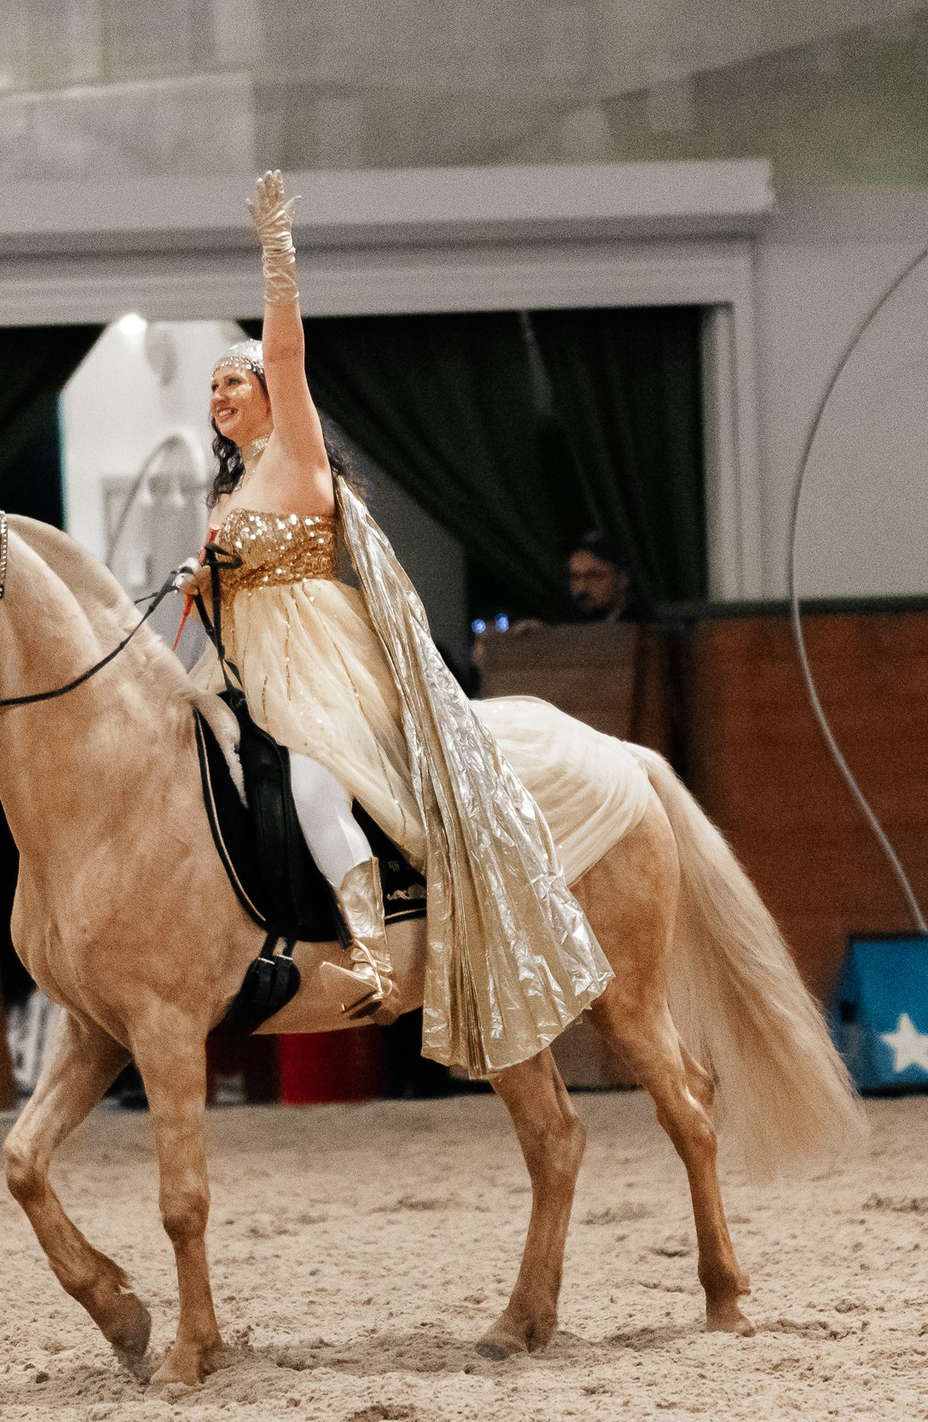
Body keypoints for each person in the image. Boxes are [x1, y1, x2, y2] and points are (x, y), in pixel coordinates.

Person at [188, 171, 613, 1077]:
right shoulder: (224, 490)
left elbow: (289, 351)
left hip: (313, 659)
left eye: (234, 379)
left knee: (314, 788)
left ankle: (374, 951)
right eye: (214, 384)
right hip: (237, 663)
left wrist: (275, 255)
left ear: (268, 394)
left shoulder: (297, 456)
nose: (221, 393)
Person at [563, 531, 651, 624]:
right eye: (575, 577)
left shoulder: (650, 631)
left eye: (594, 576)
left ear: (623, 579)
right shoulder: (569, 632)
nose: (582, 588)